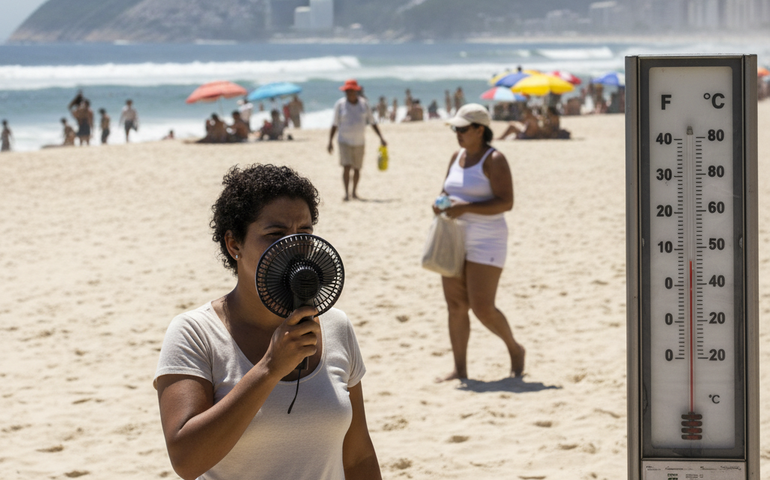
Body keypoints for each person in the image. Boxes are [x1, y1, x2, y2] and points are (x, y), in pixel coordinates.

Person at [154, 164, 382, 480]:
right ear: (234, 244)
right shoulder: (195, 333)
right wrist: (269, 369)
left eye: (304, 233)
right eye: (275, 234)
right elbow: (186, 460)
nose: (294, 246)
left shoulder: (336, 326)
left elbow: (358, 457)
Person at [433, 103, 525, 381]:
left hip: (488, 240)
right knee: (456, 306)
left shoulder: (494, 159)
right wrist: (440, 205)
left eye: (462, 129)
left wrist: (466, 207)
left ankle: (514, 348)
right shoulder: (455, 156)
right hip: (454, 238)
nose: (457, 133)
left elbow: (506, 202)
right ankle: (460, 370)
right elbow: (445, 192)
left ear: (479, 130)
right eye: (455, 128)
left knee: (482, 306)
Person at [327, 79, 387, 201]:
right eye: (347, 91)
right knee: (346, 167)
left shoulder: (364, 104)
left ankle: (354, 192)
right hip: (344, 140)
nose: (349, 93)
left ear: (356, 91)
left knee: (357, 169)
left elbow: (372, 122)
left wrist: (381, 137)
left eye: (352, 91)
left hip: (360, 141)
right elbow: (334, 124)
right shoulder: (340, 105)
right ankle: (346, 193)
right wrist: (330, 141)